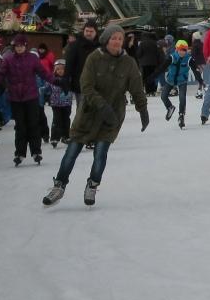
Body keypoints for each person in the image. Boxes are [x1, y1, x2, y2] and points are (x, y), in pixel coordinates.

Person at [43, 24, 149, 208]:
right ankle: (59, 186)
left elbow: (137, 88)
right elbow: (86, 86)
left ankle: (92, 185)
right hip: (88, 113)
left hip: (112, 116)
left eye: (120, 38)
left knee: (100, 153)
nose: (117, 41)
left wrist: (143, 110)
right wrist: (102, 106)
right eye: (114, 38)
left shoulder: (128, 63)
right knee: (72, 152)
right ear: (106, 40)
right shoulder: (94, 58)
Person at [0, 33, 44, 167]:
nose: (19, 48)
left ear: (25, 46)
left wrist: (56, 81)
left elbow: (43, 72)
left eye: (21, 46)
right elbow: (1, 72)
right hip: (16, 98)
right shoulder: (8, 59)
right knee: (20, 126)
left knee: (33, 124)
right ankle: (20, 153)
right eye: (17, 46)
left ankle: (36, 151)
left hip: (31, 97)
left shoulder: (32, 58)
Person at [64, 20, 100, 109]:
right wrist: (66, 80)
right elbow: (69, 64)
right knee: (82, 110)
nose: (88, 33)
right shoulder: (75, 45)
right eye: (87, 31)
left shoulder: (100, 46)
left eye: (91, 31)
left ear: (96, 32)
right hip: (80, 84)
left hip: (98, 84)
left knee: (97, 110)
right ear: (83, 31)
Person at [161, 39, 194, 128]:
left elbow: (195, 69)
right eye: (180, 50)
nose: (182, 52)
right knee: (163, 96)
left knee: (182, 97)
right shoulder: (172, 57)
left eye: (184, 50)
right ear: (176, 49)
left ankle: (181, 115)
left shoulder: (188, 58)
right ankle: (170, 107)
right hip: (171, 79)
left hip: (182, 80)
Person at [47, 58, 73, 146]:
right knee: (57, 120)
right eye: (58, 69)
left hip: (66, 103)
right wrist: (44, 92)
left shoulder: (69, 79)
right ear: (55, 70)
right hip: (56, 104)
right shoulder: (52, 79)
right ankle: (54, 137)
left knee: (66, 120)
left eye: (62, 69)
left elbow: (74, 87)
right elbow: (47, 87)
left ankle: (66, 136)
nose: (60, 71)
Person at [137, 31, 163, 95]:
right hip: (154, 63)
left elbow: (139, 54)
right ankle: (153, 90)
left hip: (144, 64)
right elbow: (158, 53)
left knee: (145, 77)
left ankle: (148, 91)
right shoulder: (155, 43)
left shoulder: (142, 43)